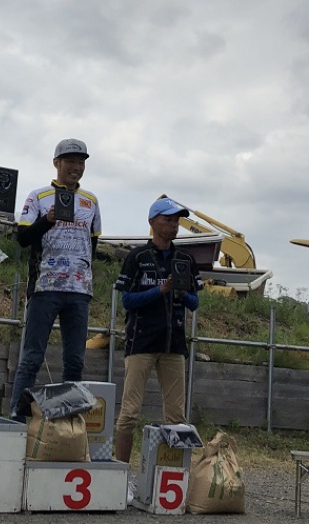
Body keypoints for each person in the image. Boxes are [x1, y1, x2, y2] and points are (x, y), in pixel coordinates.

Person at [113, 197, 203, 498]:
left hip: (174, 343)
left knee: (176, 415)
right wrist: (159, 290)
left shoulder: (186, 260)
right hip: (141, 340)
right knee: (129, 412)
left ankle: (170, 481)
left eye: (177, 220)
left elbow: (195, 302)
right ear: (153, 222)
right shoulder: (137, 257)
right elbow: (127, 301)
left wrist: (179, 291)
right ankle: (120, 477)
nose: (174, 225)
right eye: (168, 219)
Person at [8, 139, 102, 419]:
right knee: (32, 357)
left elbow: (93, 243)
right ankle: (18, 414)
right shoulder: (38, 196)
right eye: (70, 161)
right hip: (45, 287)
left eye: (81, 162)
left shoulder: (92, 201)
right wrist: (46, 220)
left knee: (75, 360)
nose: (76, 167)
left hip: (79, 290)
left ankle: (69, 417)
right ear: (56, 163)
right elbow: (23, 238)